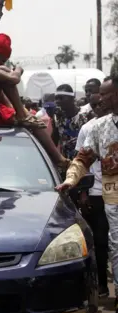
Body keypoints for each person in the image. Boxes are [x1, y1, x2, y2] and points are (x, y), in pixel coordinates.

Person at [56, 77, 118, 313]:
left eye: (106, 94)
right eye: (100, 94)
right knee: (115, 246)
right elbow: (82, 159)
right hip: (113, 198)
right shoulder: (98, 127)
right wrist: (71, 180)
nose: (100, 99)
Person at [0, 34, 69, 168]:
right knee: (3, 73)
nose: (1, 63)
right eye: (1, 60)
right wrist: (18, 70)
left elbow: (3, 94)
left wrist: (19, 113)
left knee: (33, 122)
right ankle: (21, 115)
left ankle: (59, 159)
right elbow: (12, 80)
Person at [74, 91, 110, 297]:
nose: (100, 107)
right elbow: (82, 163)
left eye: (102, 103)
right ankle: (103, 285)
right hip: (97, 193)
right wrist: (83, 193)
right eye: (96, 105)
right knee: (100, 242)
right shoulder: (88, 129)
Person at [53, 84, 90, 161]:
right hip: (66, 162)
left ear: (72, 98)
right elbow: (54, 141)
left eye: (61, 98)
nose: (57, 101)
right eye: (56, 98)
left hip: (85, 162)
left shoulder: (85, 116)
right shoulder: (57, 117)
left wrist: (80, 140)